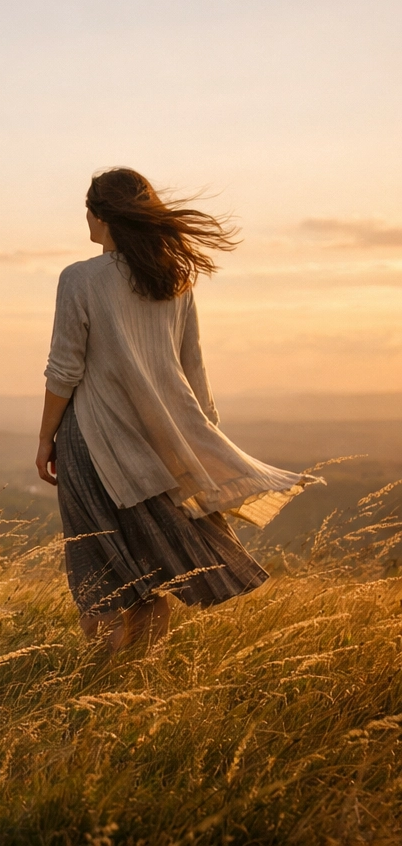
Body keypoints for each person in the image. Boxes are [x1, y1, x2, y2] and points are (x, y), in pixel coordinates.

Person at [37, 168, 315, 652]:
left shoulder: (79, 278)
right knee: (150, 580)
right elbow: (195, 375)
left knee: (96, 577)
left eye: (87, 209)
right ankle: (135, 682)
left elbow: (64, 369)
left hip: (94, 441)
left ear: (98, 215)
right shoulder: (175, 281)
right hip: (158, 445)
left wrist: (46, 438)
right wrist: (199, 445)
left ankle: (101, 686)